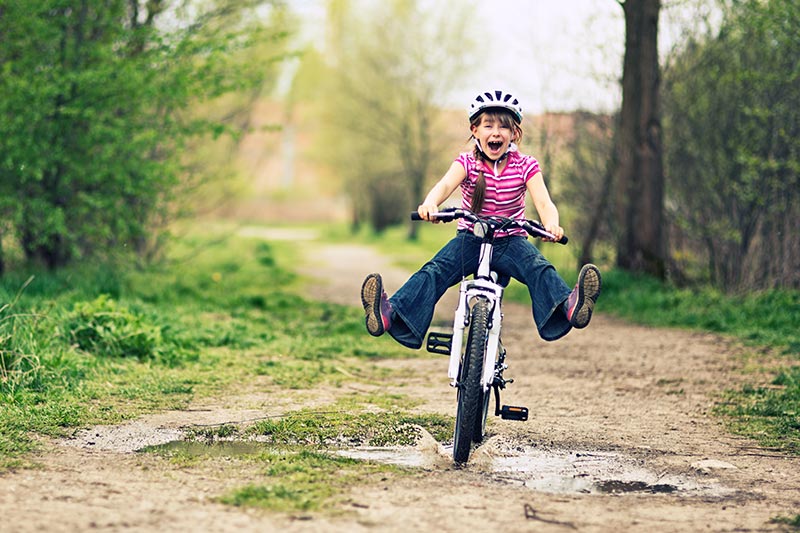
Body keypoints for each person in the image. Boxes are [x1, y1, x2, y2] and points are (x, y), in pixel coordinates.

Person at [360, 89, 601, 349]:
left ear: (514, 133)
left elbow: (544, 202)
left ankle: (568, 306)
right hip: (471, 239)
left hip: (510, 241)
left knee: (538, 267)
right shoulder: (467, 162)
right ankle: (390, 314)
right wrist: (430, 204)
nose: (496, 132)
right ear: (475, 130)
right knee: (434, 271)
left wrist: (551, 223)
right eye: (488, 125)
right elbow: (443, 186)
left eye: (503, 127)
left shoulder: (525, 165)